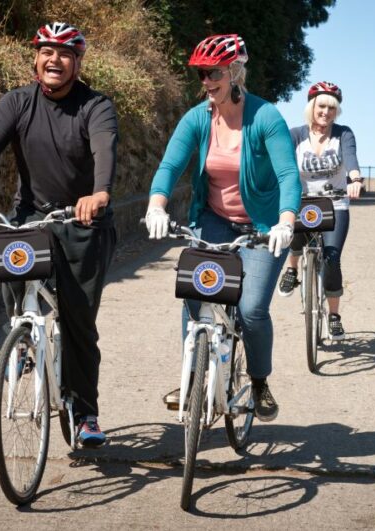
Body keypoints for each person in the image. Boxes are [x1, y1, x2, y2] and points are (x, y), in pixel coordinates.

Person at [0, 22, 118, 446]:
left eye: (64, 53)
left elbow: (104, 149)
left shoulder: (95, 106)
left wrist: (99, 193)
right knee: (10, 263)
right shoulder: (17, 102)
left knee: (78, 320)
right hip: (33, 216)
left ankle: (84, 414)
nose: (54, 59)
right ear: (35, 59)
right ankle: (21, 338)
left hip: (83, 221)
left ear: (78, 62)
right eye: (46, 51)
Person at [144, 34, 301, 422]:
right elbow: (169, 167)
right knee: (195, 295)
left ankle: (260, 381)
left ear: (234, 72)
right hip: (214, 220)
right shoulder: (198, 117)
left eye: (213, 73)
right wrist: (156, 205)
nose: (207, 82)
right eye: (201, 74)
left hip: (262, 226)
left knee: (250, 310)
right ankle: (193, 377)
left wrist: (285, 221)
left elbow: (288, 175)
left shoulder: (265, 117)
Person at [276, 81, 363, 340]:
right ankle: (292, 270)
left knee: (332, 258)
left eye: (332, 108)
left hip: (334, 203)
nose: (326, 112)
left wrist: (355, 179)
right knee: (295, 236)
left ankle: (334, 315)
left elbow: (350, 157)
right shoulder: (295, 135)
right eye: (321, 106)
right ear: (311, 106)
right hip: (301, 201)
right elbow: (283, 164)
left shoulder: (343, 134)